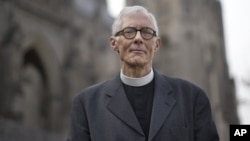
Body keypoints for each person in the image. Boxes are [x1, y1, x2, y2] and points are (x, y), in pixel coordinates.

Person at [67, 5, 220, 141]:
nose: (138, 38)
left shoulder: (192, 98)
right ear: (114, 43)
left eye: (147, 32)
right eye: (129, 32)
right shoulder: (86, 104)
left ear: (157, 44)